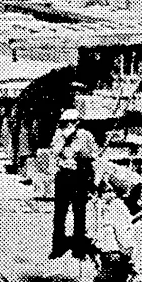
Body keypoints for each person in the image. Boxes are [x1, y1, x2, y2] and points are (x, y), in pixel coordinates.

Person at [49, 108, 99, 259]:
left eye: (70, 122)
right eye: (64, 122)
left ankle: (78, 247)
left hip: (79, 176)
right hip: (63, 176)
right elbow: (53, 154)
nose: (67, 125)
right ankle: (57, 246)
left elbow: (93, 156)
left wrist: (93, 180)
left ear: (76, 122)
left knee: (79, 212)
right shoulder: (59, 135)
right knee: (59, 213)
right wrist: (63, 142)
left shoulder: (85, 135)